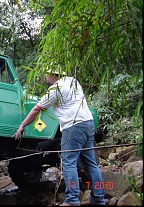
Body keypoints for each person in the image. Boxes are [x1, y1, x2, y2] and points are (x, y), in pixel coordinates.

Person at [14, 67, 105, 206]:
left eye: (46, 74)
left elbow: (37, 109)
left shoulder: (55, 89)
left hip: (73, 126)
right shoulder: (73, 81)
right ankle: (98, 199)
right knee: (91, 164)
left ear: (52, 75)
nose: (45, 77)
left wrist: (22, 126)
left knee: (69, 163)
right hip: (88, 123)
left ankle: (72, 200)